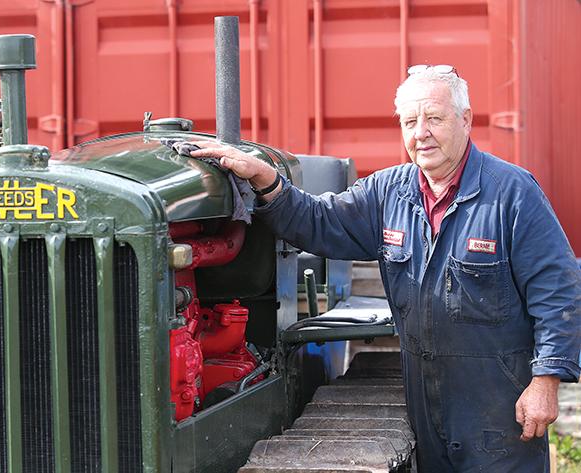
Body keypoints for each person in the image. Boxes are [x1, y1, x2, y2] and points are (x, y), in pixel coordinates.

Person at [190, 65, 581, 472]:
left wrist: (546, 380)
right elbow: (320, 222)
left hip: (498, 409)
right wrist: (268, 181)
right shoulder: (387, 192)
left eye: (434, 118)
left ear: (465, 120)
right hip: (425, 401)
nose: (421, 132)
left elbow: (559, 290)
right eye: (410, 121)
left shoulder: (512, 194)